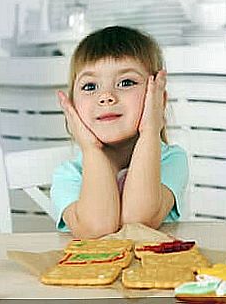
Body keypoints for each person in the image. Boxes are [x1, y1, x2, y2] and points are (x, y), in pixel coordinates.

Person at [51, 26, 189, 238]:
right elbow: (97, 229)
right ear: (72, 106)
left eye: (126, 82)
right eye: (90, 87)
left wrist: (151, 130)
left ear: (157, 99)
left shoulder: (171, 160)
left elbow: (138, 221)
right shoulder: (69, 175)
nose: (106, 96)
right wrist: (91, 150)